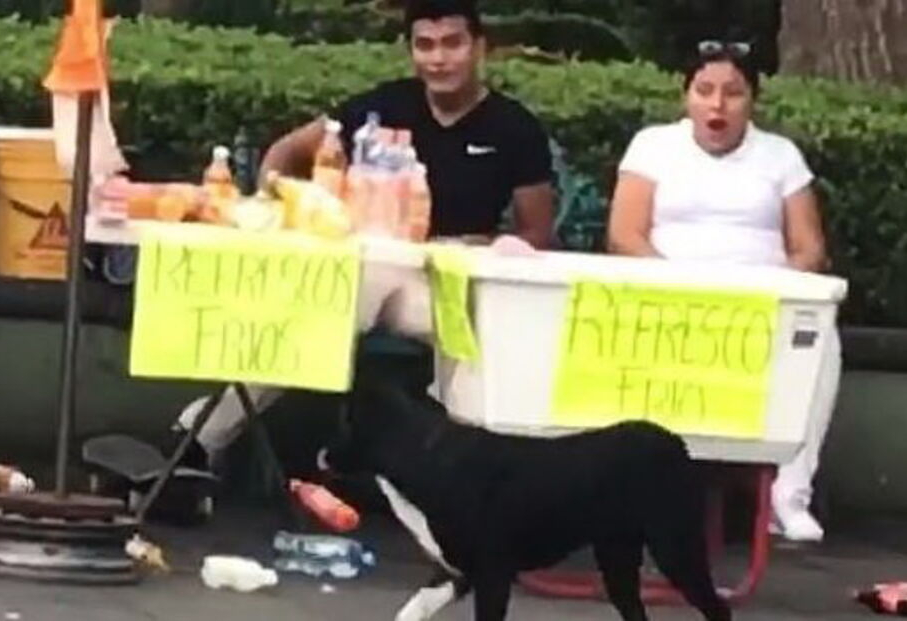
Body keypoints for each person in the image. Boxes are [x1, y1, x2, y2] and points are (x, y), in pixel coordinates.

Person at [174, 0, 555, 468]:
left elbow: (537, 231)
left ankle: (462, 475)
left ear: (480, 48)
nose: (438, 59)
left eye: (452, 44)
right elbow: (287, 151)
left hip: (452, 280)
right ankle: (201, 440)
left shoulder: (514, 127)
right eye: (425, 45)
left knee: (473, 332)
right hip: (371, 265)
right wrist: (278, 203)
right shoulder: (383, 107)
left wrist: (484, 246)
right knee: (329, 299)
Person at [606, 39, 840, 543]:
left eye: (732, 93)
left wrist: (766, 289)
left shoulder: (780, 156)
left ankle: (788, 495)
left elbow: (809, 248)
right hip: (670, 300)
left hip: (761, 307)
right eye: (705, 91)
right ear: (686, 95)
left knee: (821, 342)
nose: (717, 105)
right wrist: (679, 285)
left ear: (751, 100)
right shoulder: (653, 145)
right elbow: (625, 233)